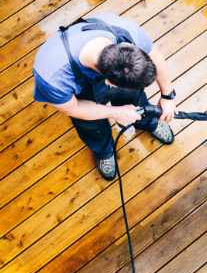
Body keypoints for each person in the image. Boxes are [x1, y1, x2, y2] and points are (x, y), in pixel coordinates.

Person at [32, 13, 177, 181]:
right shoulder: (52, 77)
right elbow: (74, 108)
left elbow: (154, 56)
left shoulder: (126, 32)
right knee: (90, 125)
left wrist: (168, 96)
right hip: (78, 94)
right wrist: (114, 112)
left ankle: (147, 121)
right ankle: (103, 150)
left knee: (133, 96)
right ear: (109, 82)